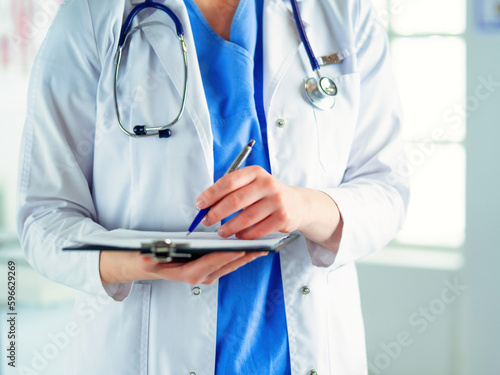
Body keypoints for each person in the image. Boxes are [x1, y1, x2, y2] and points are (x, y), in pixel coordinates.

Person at [17, 0, 409, 373]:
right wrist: (139, 260)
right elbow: (44, 215)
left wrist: (303, 208)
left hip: (306, 355)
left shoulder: (342, 12)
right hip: (144, 353)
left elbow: (387, 188)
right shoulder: (93, 14)